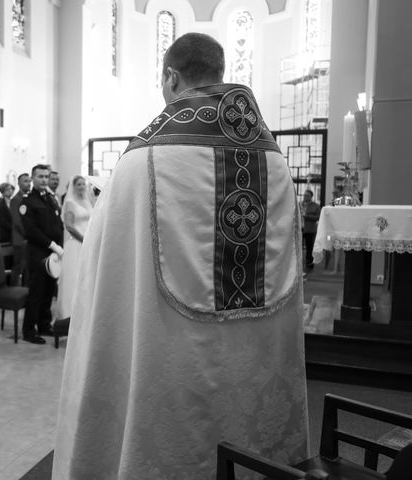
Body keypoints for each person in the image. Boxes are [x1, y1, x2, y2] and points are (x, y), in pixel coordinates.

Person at [52, 33, 308, 479]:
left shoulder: (143, 160)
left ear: (171, 77)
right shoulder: (275, 162)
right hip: (255, 356)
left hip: (169, 356)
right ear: (219, 72)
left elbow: (105, 269)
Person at [20, 164, 64, 344]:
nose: (44, 180)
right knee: (36, 292)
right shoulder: (27, 202)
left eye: (46, 176)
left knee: (48, 291)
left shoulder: (49, 199)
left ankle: (44, 324)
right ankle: (29, 330)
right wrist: (52, 244)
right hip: (38, 254)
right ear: (33, 178)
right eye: (40, 177)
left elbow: (56, 223)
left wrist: (59, 246)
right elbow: (31, 230)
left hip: (53, 255)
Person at [55, 175, 93, 322]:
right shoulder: (70, 202)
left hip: (88, 243)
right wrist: (84, 240)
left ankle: (86, 316)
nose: (82, 187)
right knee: (74, 279)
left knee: (87, 279)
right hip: (77, 244)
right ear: (73, 186)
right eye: (79, 184)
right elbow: (69, 226)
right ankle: (68, 317)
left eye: (83, 184)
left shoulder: (88, 201)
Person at [10, 173, 31, 286]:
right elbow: (17, 221)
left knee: (28, 268)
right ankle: (13, 291)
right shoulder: (16, 199)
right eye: (25, 181)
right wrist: (28, 234)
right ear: (18, 183)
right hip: (20, 238)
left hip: (29, 238)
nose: (28, 183)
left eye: (29, 181)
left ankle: (26, 292)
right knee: (19, 267)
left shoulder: (30, 197)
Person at [301, 189, 321, 271]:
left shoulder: (315, 206)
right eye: (304, 195)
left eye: (307, 196)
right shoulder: (300, 205)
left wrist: (307, 216)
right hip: (300, 228)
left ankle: (309, 265)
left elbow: (318, 217)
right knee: (299, 247)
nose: (305, 197)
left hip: (310, 229)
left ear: (311, 197)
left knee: (309, 248)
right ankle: (300, 265)